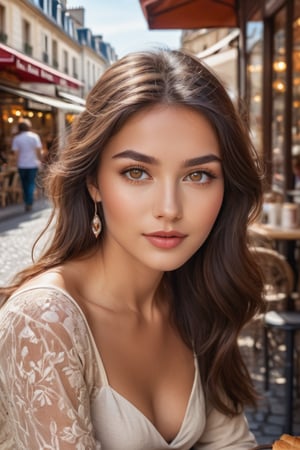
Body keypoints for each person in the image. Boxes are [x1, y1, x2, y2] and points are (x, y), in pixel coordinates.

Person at [0, 49, 265, 449]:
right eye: (136, 172)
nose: (169, 209)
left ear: (226, 187)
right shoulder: (43, 323)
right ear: (93, 182)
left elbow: (234, 443)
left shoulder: (195, 295)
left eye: (198, 175)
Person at [11, 118, 42, 211]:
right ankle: (29, 202)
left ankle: (28, 202)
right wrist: (39, 160)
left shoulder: (17, 138)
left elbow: (16, 154)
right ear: (29, 127)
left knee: (24, 184)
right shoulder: (34, 136)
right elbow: (38, 151)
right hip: (32, 164)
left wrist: (17, 163)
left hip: (22, 165)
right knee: (31, 183)